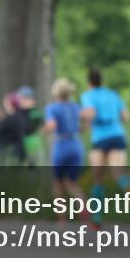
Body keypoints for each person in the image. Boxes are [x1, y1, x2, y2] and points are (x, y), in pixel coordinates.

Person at [80, 67, 130, 230]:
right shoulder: (113, 94)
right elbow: (125, 117)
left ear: (89, 82)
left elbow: (90, 114)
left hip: (100, 138)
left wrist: (82, 117)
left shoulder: (88, 95)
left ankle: (97, 216)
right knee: (118, 173)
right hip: (117, 135)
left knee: (98, 178)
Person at [44, 78, 86, 224]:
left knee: (58, 183)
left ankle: (61, 220)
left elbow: (52, 125)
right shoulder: (76, 107)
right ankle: (84, 208)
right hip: (76, 144)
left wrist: (45, 131)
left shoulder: (52, 108)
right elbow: (85, 122)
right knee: (72, 182)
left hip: (62, 144)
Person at [0, 93, 26, 164]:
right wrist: (1, 115)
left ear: (10, 103)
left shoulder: (8, 120)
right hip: (19, 151)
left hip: (7, 154)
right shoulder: (20, 116)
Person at [17, 85, 45, 167]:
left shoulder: (35, 112)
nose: (21, 101)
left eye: (24, 99)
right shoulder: (18, 113)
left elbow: (42, 126)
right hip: (22, 145)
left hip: (34, 144)